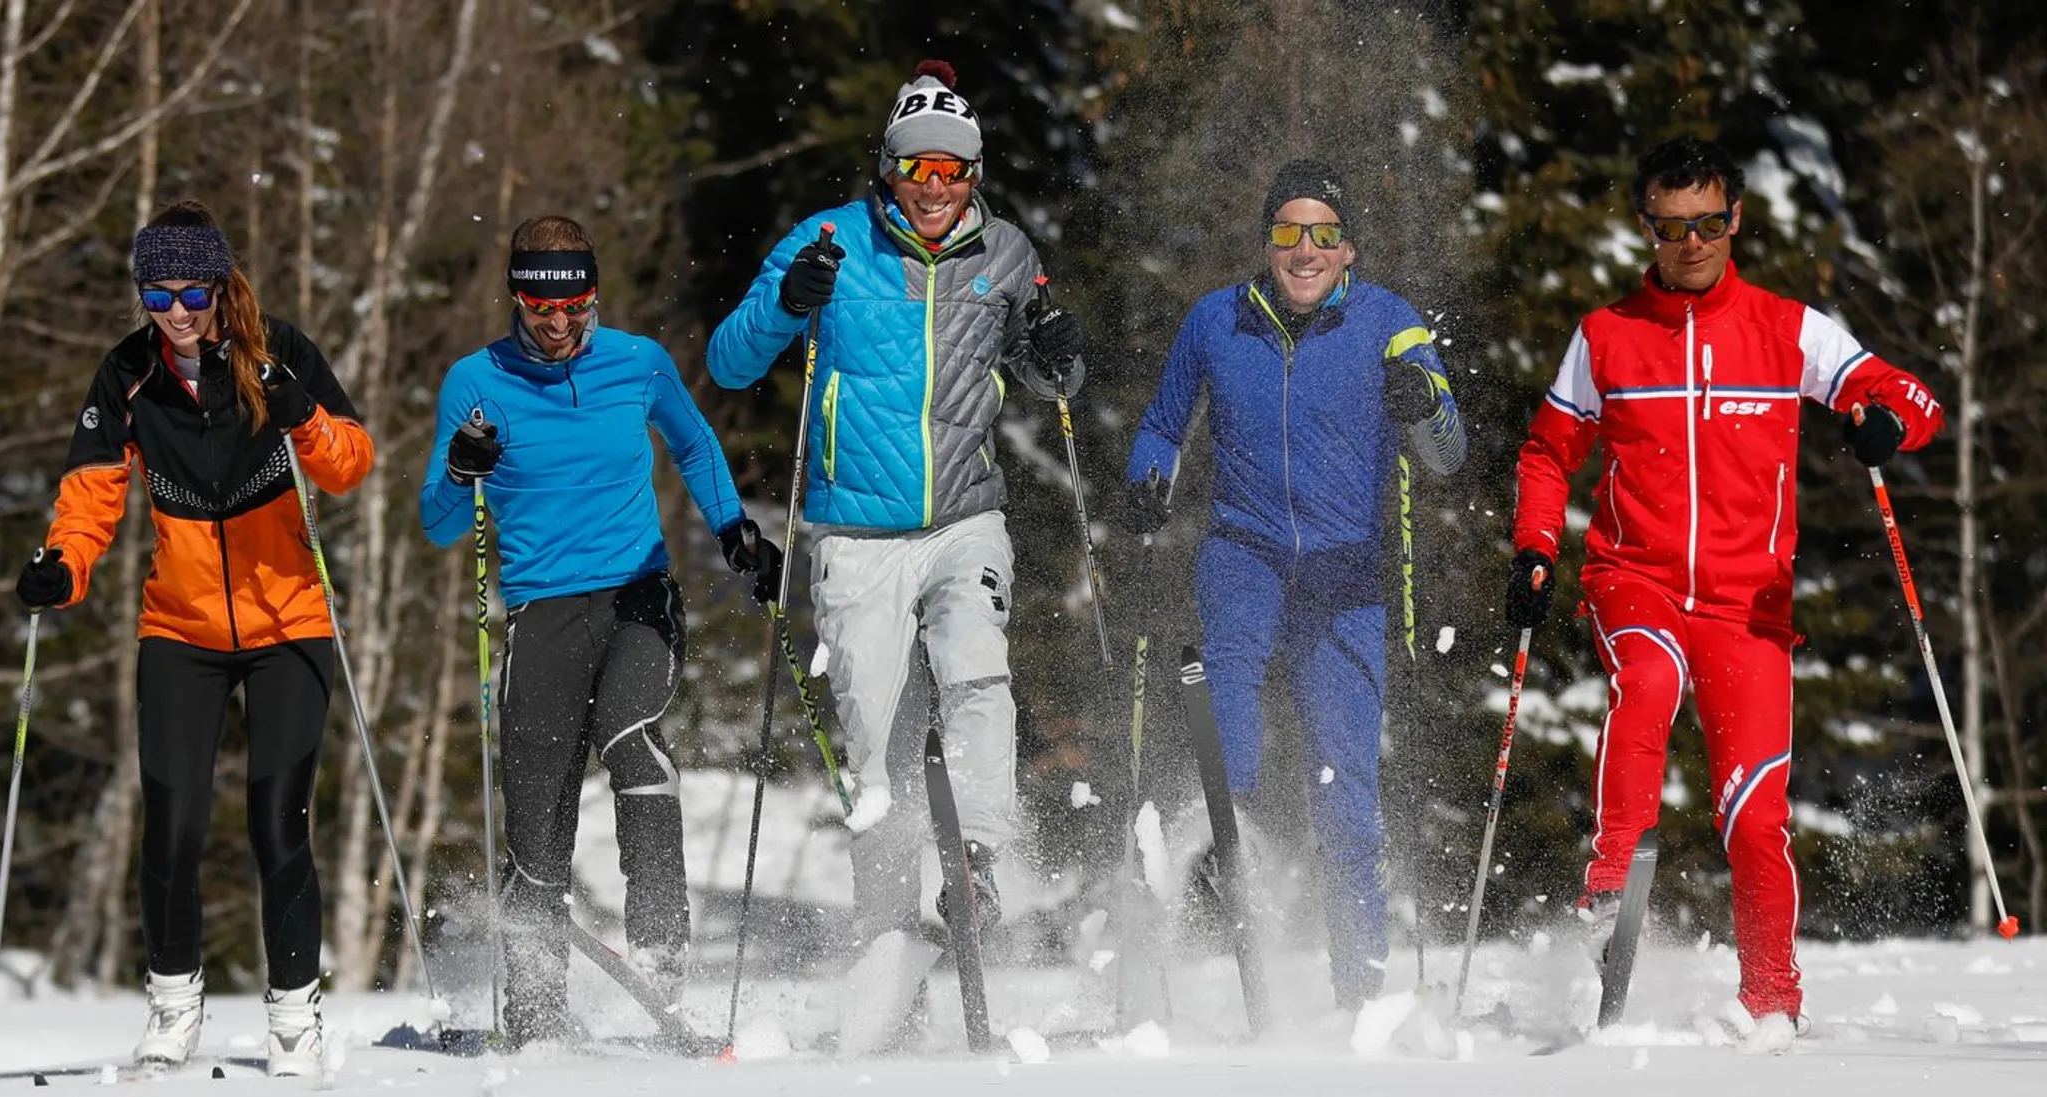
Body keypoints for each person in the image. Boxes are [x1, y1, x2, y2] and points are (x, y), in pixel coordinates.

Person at [1506, 135, 1945, 1043]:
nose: (1692, 243)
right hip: (1639, 582)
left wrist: (1887, 421)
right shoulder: (1607, 337)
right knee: (1649, 686)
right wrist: (1536, 545)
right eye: (1672, 228)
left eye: (1709, 222)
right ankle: (1609, 877)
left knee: (1754, 815)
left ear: (1735, 218)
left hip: (1750, 605)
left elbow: (1910, 395)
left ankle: (1772, 998)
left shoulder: (1789, 330)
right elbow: (1550, 451)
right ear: (1646, 228)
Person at [706, 61, 1084, 957]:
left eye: (952, 171)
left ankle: (979, 864)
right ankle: (884, 927)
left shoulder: (1007, 255)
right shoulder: (829, 240)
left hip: (963, 515)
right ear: (889, 169)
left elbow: (1048, 375)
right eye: (918, 169)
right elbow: (728, 361)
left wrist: (1063, 355)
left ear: (975, 175)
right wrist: (786, 305)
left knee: (977, 670)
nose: (936, 188)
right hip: (856, 528)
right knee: (871, 729)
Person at [12, 200, 373, 1075]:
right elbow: (91, 493)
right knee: (170, 819)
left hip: (288, 618)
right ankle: (174, 1002)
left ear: (218, 284)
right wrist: (63, 566)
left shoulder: (276, 352)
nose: (174, 309)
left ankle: (294, 1015)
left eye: (189, 289)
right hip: (181, 625)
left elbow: (350, 461)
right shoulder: (127, 373)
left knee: (276, 817)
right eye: (156, 291)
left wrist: (302, 415)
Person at [418, 214, 778, 1047]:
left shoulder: (637, 363)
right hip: (543, 613)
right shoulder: (476, 381)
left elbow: (693, 445)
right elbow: (440, 522)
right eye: (541, 308)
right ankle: (536, 1002)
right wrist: (462, 472)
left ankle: (659, 953)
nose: (559, 324)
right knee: (538, 814)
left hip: (638, 597)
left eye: (575, 305)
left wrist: (734, 530)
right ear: (516, 298)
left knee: (634, 739)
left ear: (593, 295)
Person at [1122, 159, 1467, 1013]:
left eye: (1322, 234)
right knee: (1228, 679)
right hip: (1245, 549)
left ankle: (1362, 998)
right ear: (1266, 242)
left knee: (1344, 789)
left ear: (1349, 247)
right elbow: (1165, 424)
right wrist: (1148, 477)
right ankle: (1221, 836)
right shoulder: (1218, 320)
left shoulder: (1389, 323)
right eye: (1286, 232)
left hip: (1347, 573)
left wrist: (1422, 398)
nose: (1303, 250)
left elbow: (1448, 452)